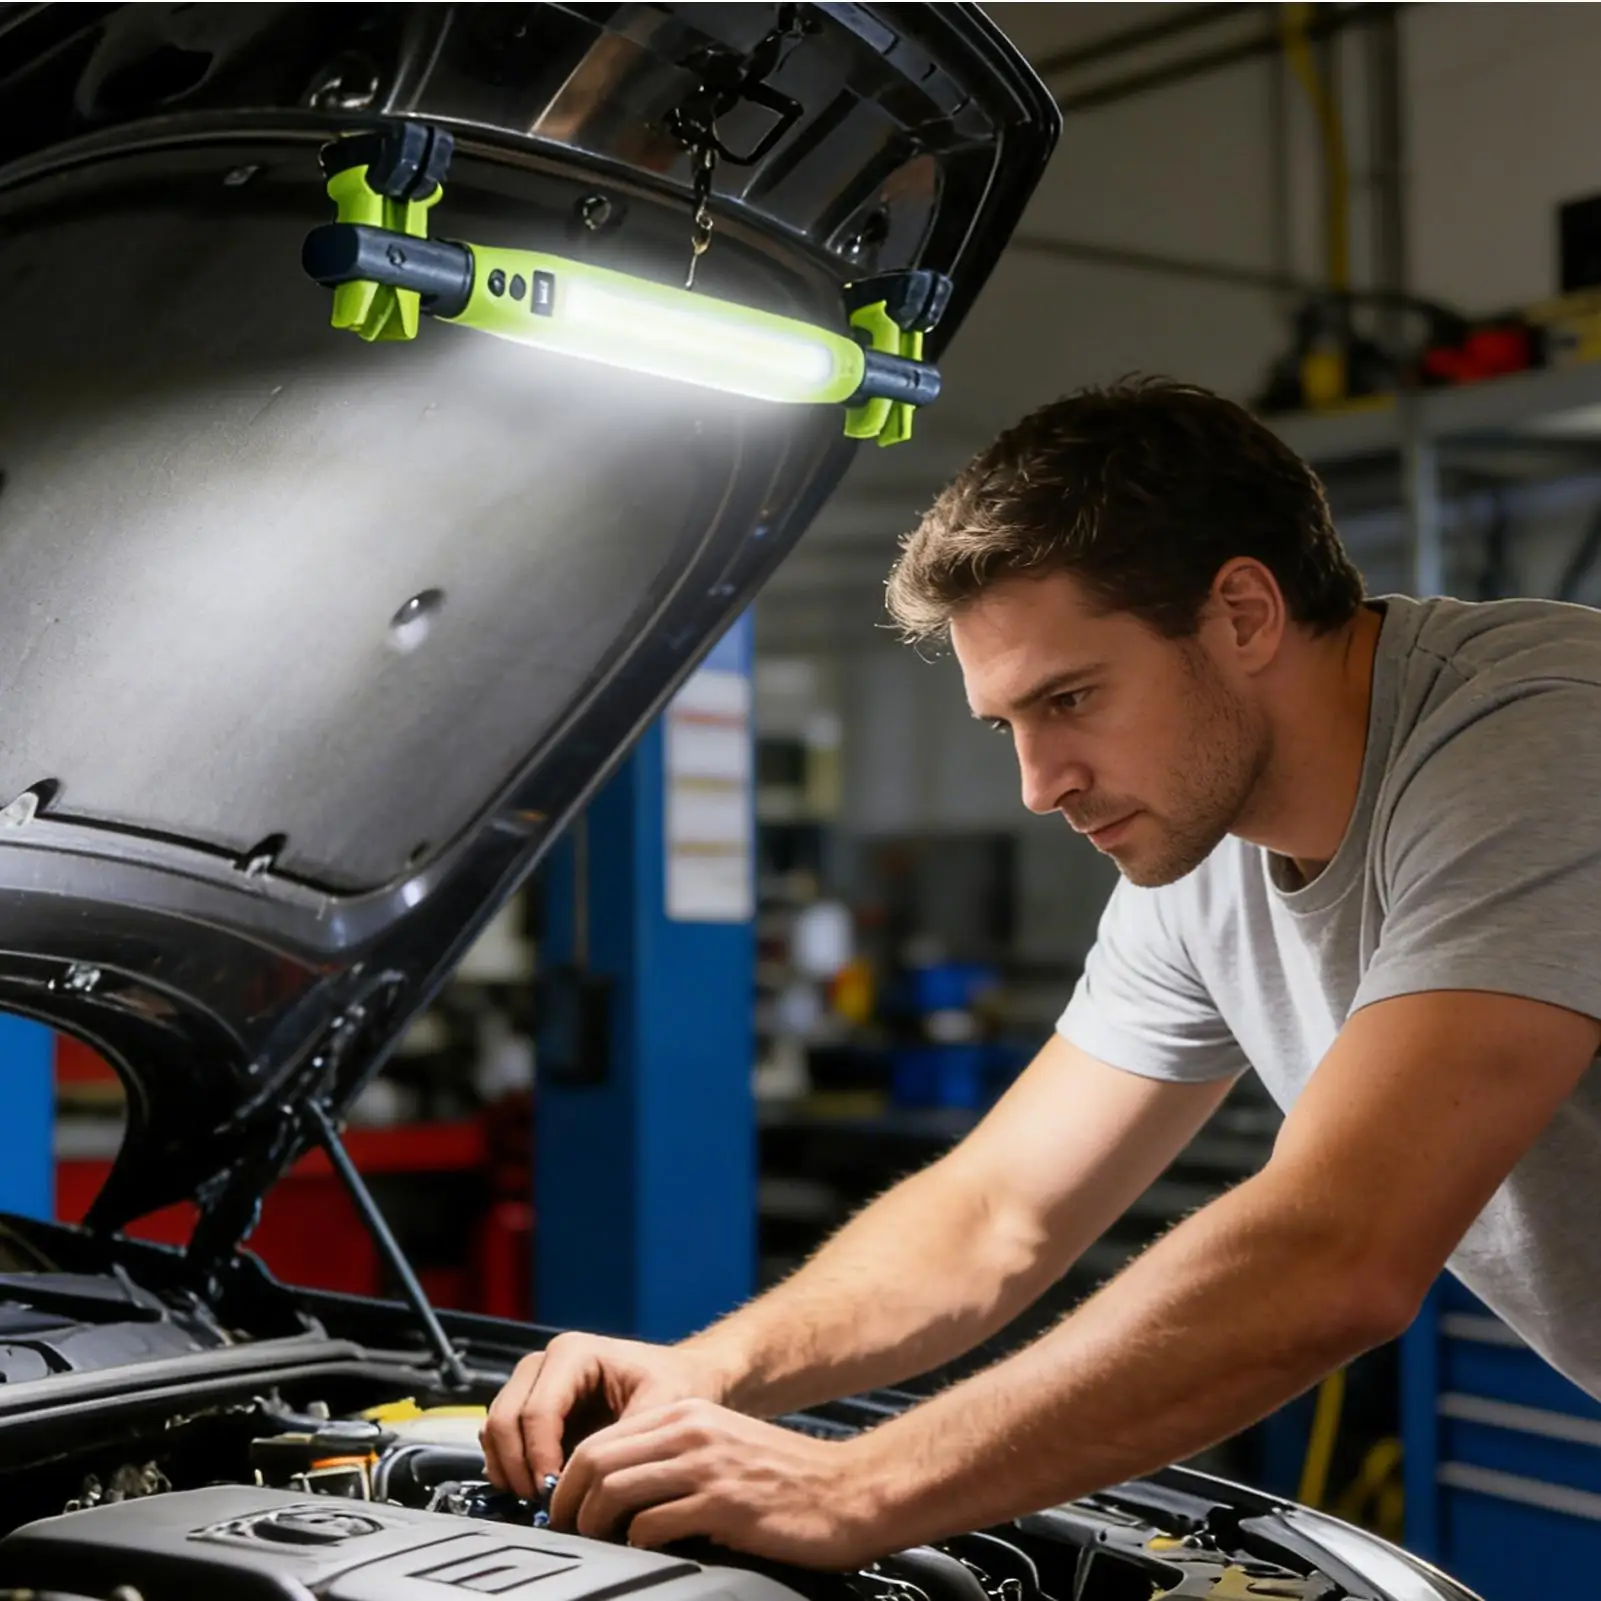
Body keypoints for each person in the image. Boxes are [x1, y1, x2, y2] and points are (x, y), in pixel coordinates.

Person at [482, 377, 1601, 1568]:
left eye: (1069, 698)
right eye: (1005, 723)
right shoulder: (1202, 859)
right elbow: (996, 1214)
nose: (1038, 782)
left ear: (1241, 612)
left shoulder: (1539, 735)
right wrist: (712, 1369)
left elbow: (1337, 1247)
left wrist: (855, 1487)